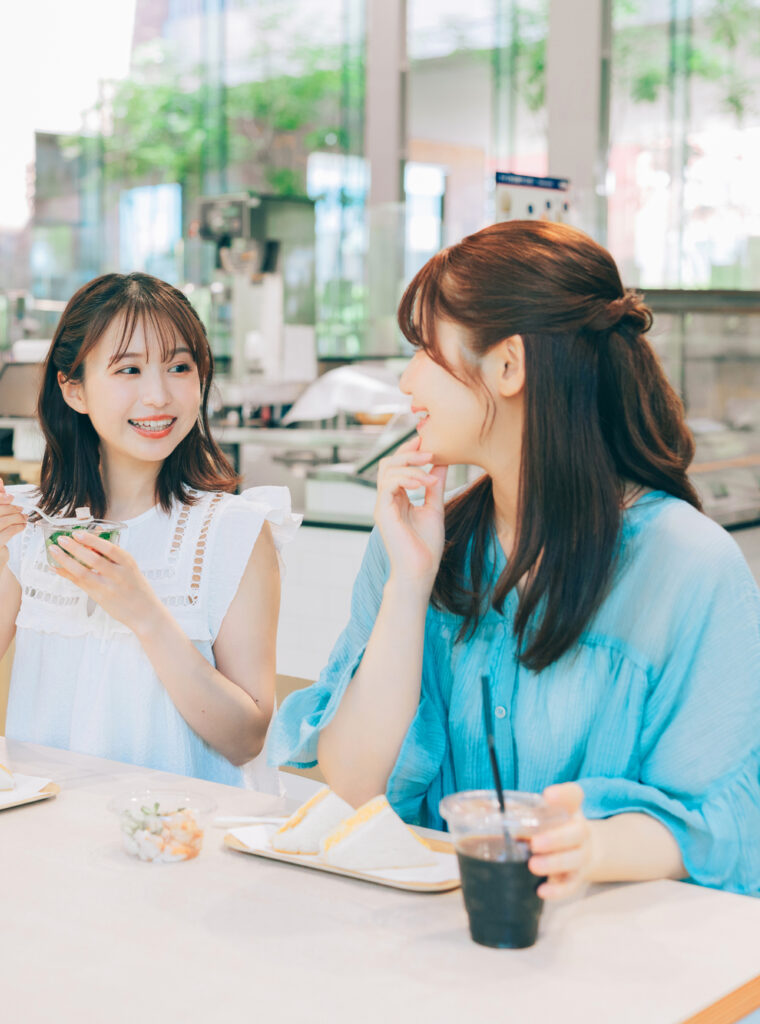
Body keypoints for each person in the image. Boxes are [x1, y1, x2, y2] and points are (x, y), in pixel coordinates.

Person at [267, 221, 760, 897]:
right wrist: (409, 585)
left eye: (424, 349)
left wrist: (593, 847)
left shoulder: (690, 566)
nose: (408, 378)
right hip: (436, 942)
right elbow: (353, 784)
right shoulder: (419, 538)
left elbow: (721, 826)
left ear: (508, 366)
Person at [0, 272, 297, 788]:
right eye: (129, 369)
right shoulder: (31, 523)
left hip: (178, 840)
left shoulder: (234, 531)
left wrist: (144, 614)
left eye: (179, 367)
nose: (158, 395)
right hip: (48, 833)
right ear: (74, 389)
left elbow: (245, 739)